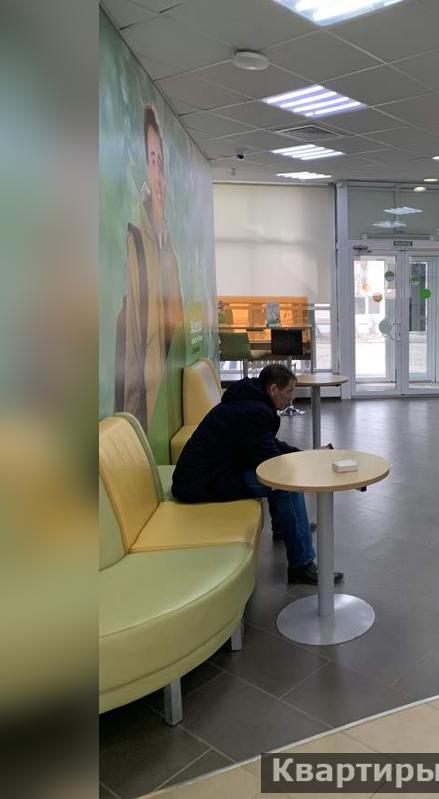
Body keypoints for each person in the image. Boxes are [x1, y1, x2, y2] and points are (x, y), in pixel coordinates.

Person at [171, 364, 342, 586]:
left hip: (212, 472)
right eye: (289, 391)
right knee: (286, 484)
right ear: (273, 389)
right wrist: (305, 460)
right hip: (203, 482)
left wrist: (303, 455)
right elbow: (270, 460)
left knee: (280, 477)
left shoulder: (250, 399)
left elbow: (267, 444)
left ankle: (284, 526)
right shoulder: (254, 411)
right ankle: (302, 565)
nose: (291, 398)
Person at [115, 104, 184, 433]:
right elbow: (131, 352)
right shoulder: (137, 242)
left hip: (168, 402)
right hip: (147, 409)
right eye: (151, 161)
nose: (157, 175)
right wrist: (132, 429)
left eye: (161, 164)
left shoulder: (168, 246)